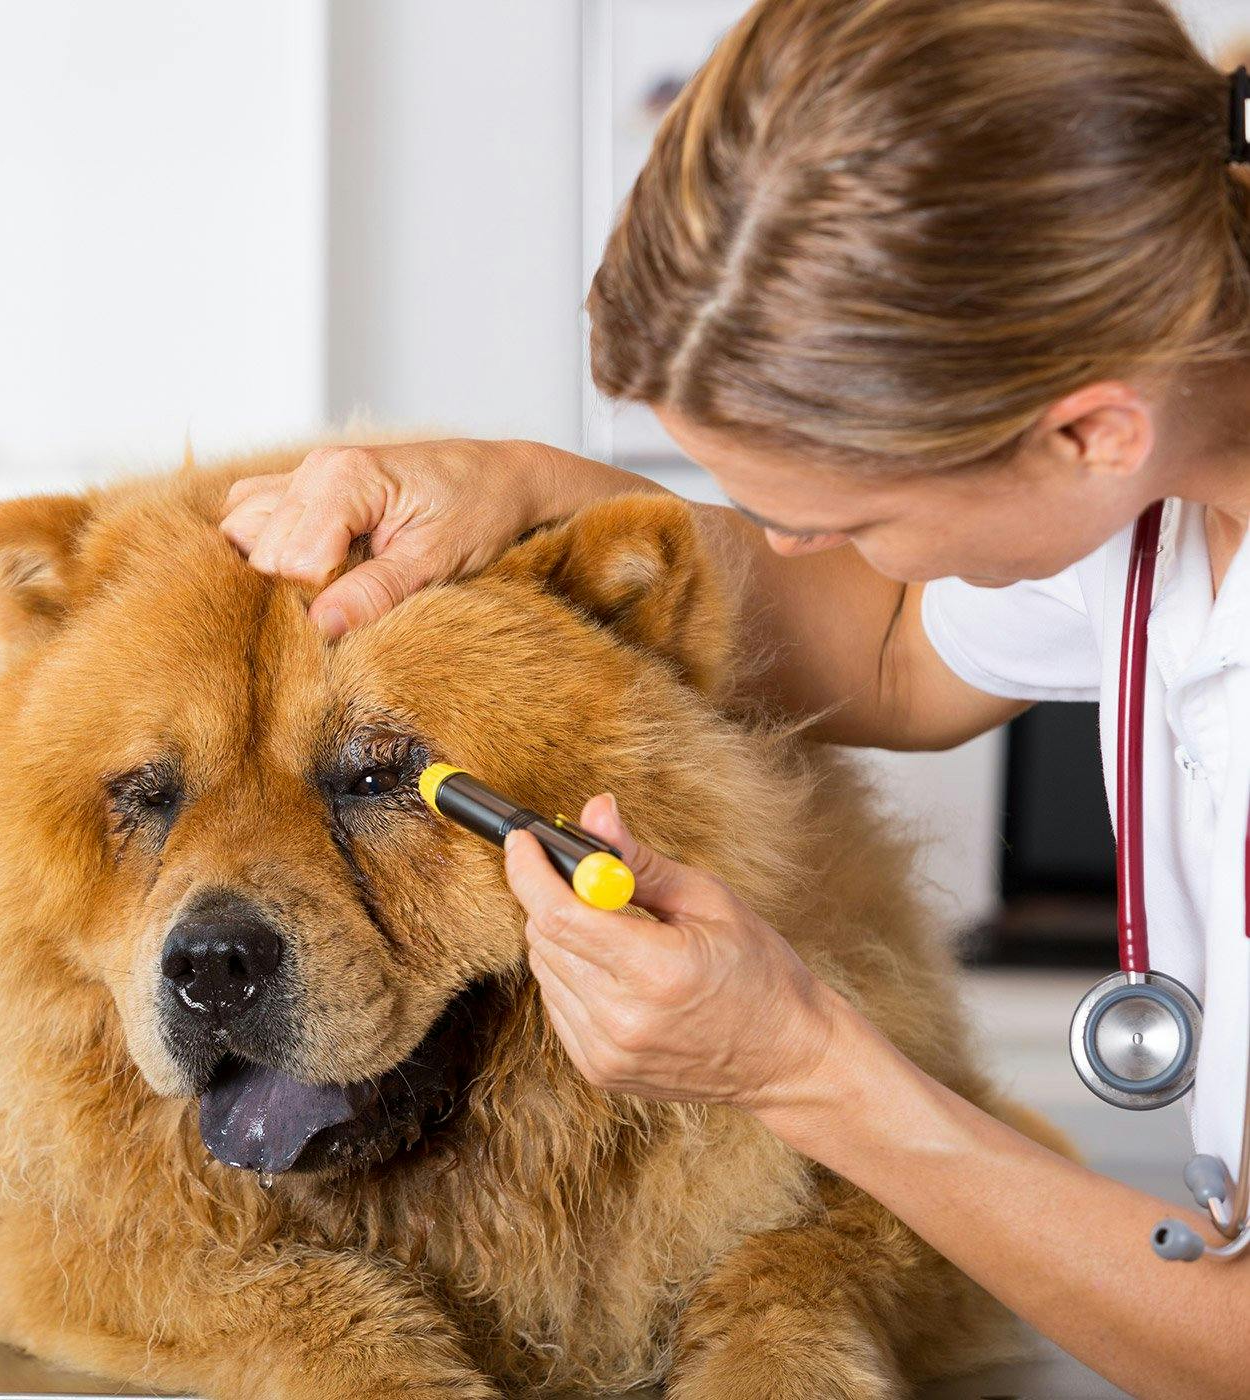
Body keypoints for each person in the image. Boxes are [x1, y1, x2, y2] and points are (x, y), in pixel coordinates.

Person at [222, 0, 1250, 1393]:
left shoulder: (1139, 443)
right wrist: (517, 487)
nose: (788, 552)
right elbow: (889, 643)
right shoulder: (1166, 457)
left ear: (1088, 431)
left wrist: (801, 1069)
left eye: (848, 515)